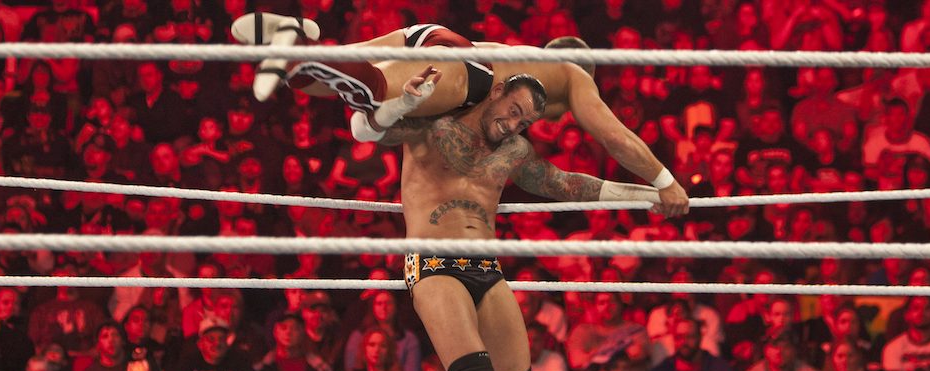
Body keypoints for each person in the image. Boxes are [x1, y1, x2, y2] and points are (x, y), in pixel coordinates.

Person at [367, 67, 686, 371]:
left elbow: (564, 184)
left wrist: (650, 194)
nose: (514, 125)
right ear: (496, 91)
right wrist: (403, 100)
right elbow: (371, 131)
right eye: (513, 111)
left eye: (524, 122)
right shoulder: (434, 122)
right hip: (432, 260)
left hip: (486, 268)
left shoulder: (513, 149)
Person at [231, 14, 690, 216]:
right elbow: (616, 138)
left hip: (426, 36)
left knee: (314, 80)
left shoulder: (526, 63)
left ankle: (298, 39)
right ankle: (301, 45)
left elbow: (553, 180)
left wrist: (640, 196)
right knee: (372, 93)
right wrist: (664, 183)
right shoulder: (573, 76)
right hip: (464, 65)